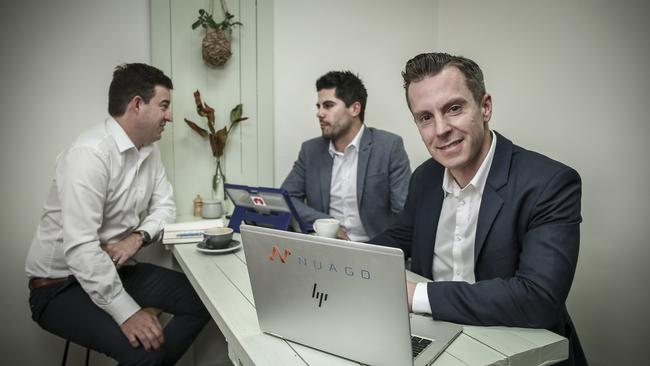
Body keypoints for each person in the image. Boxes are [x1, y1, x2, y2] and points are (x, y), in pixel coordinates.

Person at [370, 53, 587, 365]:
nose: (440, 129)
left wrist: (414, 295)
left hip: (519, 349)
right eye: (425, 117)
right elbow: (398, 238)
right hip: (440, 337)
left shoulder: (550, 183)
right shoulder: (425, 176)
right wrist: (334, 257)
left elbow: (538, 299)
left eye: (454, 108)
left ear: (485, 107)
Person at [25, 63, 211, 365]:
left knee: (204, 302)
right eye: (164, 105)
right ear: (137, 104)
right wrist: (128, 313)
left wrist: (136, 239)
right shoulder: (89, 153)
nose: (170, 116)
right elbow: (82, 249)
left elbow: (165, 208)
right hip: (59, 286)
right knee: (146, 354)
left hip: (115, 271)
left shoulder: (150, 153)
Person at [281, 71, 411, 241]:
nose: (319, 113)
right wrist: (327, 223)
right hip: (326, 247)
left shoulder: (389, 147)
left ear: (355, 108)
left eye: (328, 105)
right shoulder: (310, 150)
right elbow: (286, 197)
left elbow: (404, 212)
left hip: (375, 249)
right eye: (318, 106)